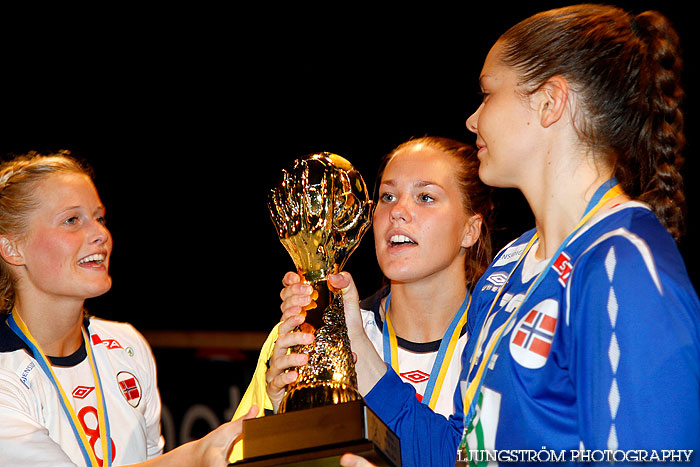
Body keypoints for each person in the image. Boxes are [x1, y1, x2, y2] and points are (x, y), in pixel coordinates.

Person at [285, 4, 700, 466]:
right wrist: (357, 352)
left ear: (550, 102)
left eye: (488, 94)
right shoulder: (507, 270)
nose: (472, 119)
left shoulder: (621, 264)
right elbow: (460, 455)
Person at [228, 136, 493, 463]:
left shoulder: (497, 344)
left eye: (425, 197)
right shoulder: (308, 337)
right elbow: (231, 457)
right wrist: (279, 414)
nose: (398, 211)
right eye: (388, 196)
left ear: (470, 229)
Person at [0, 151, 258, 467]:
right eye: (72, 220)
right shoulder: (4, 374)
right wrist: (193, 457)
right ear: (12, 248)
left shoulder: (125, 344)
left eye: (99, 218)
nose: (100, 234)